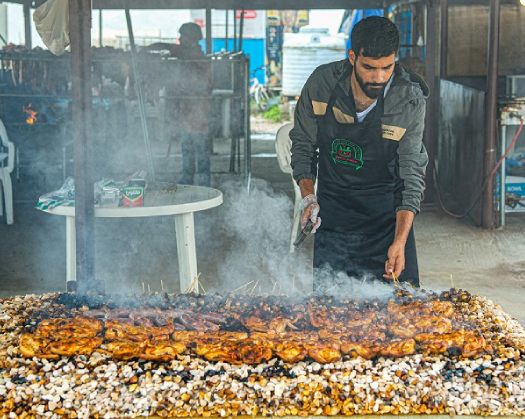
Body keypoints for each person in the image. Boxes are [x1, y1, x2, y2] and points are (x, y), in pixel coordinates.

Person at [290, 16, 429, 289]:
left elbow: (411, 173)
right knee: (329, 316)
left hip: (386, 219)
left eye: (386, 67)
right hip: (334, 215)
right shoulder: (322, 84)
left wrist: (399, 241)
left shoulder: (408, 98)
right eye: (369, 67)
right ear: (352, 57)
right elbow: (304, 145)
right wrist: (308, 197)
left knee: (403, 318)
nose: (378, 77)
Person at [143, 22, 211, 186]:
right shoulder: (187, 53)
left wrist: (144, 49)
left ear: (191, 38)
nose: (180, 39)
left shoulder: (194, 55)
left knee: (199, 146)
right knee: (187, 144)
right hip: (187, 109)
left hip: (198, 109)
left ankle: (202, 180)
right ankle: (188, 177)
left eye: (183, 36)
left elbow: (166, 46)